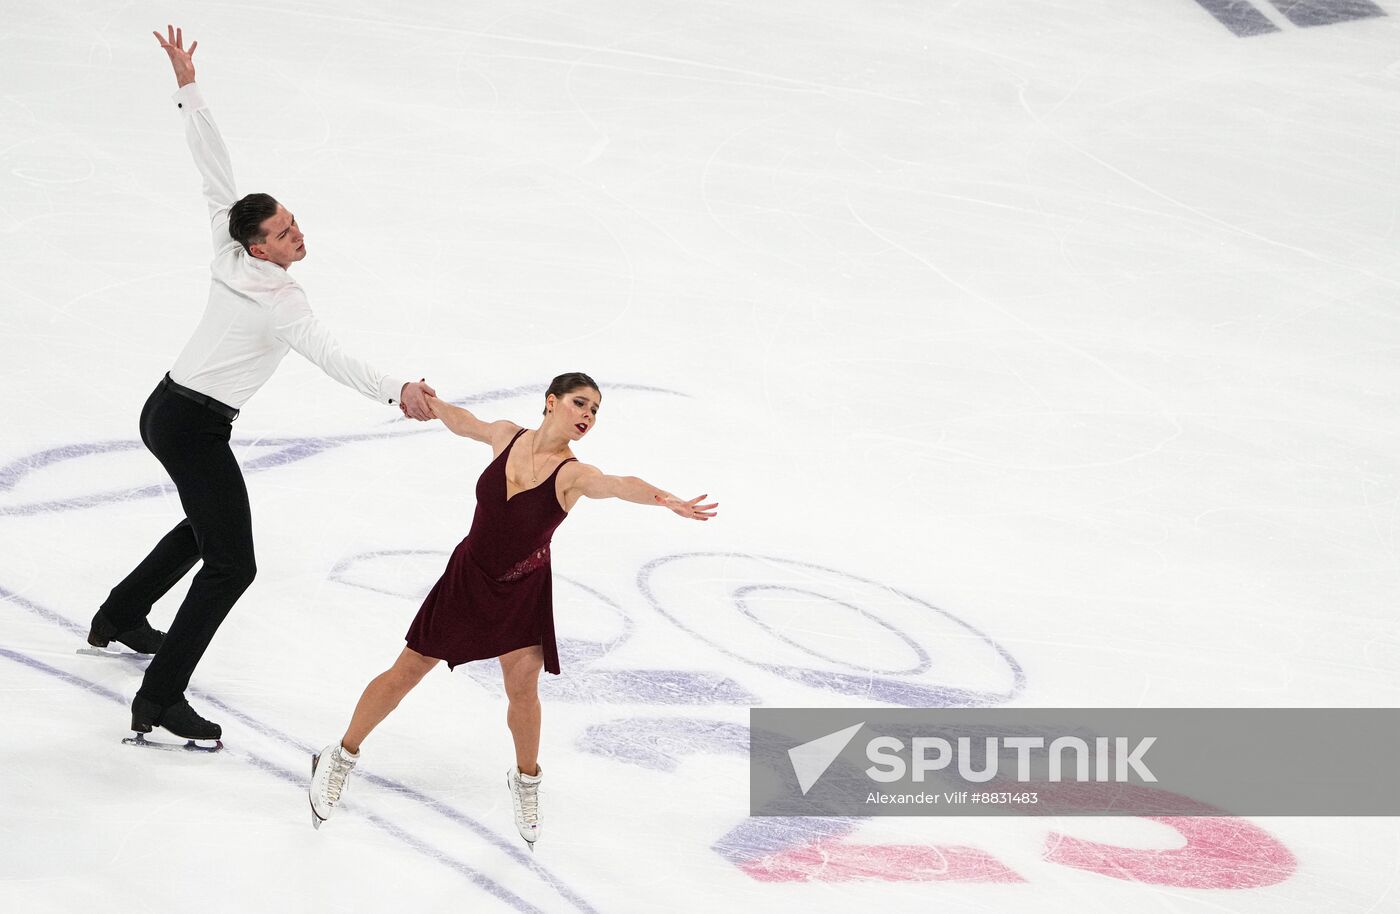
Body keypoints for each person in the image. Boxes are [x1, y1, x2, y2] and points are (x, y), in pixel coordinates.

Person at [88, 26, 437, 745]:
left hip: (165, 407)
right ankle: (159, 699)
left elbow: (213, 165)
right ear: (258, 247)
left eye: (292, 223)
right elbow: (334, 356)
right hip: (191, 422)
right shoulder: (282, 302)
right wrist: (397, 388)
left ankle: (121, 614)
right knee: (232, 562)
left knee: (204, 526)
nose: (295, 236)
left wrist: (189, 86)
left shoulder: (226, 244)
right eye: (283, 233)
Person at [307, 373, 717, 849]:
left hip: (521, 590)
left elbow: (619, 484)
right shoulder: (506, 435)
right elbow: (466, 423)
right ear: (551, 402)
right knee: (407, 671)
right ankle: (339, 755)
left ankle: (526, 782)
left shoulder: (572, 475)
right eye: (580, 403)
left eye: (595, 411)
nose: (587, 415)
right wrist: (431, 403)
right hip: (467, 578)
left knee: (523, 689)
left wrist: (667, 500)